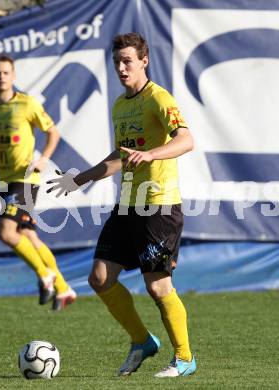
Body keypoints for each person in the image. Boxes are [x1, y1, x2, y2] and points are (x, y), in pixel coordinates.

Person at [47, 32, 196, 376]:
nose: (121, 67)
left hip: (159, 206)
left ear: (144, 60)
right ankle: (142, 341)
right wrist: (79, 179)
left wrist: (151, 154)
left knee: (158, 287)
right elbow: (120, 156)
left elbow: (186, 139)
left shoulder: (159, 98)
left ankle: (185, 358)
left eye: (127, 60)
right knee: (100, 278)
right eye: (117, 61)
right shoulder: (120, 105)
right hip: (128, 205)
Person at [0, 55, 76, 311]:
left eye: (5, 72)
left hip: (26, 179)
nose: (1, 76)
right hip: (5, 180)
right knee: (28, 235)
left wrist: (44, 158)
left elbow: (52, 132)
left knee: (5, 231)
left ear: (13, 76)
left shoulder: (27, 104)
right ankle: (63, 288)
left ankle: (46, 276)